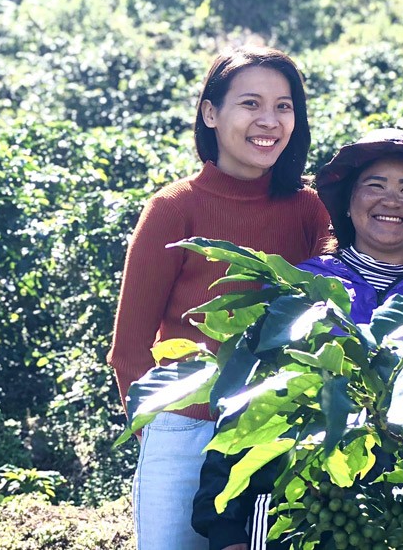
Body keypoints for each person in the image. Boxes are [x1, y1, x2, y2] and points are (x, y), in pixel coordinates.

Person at [192, 128, 403, 550]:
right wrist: (226, 528)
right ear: (348, 203)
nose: (391, 201)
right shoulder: (302, 288)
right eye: (374, 186)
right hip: (296, 509)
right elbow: (244, 402)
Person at [107, 46, 332, 550]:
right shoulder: (172, 210)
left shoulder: (311, 210)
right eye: (250, 104)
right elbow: (128, 350)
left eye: (284, 106)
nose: (269, 121)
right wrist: (161, 434)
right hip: (184, 431)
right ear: (211, 113)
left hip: (273, 433)